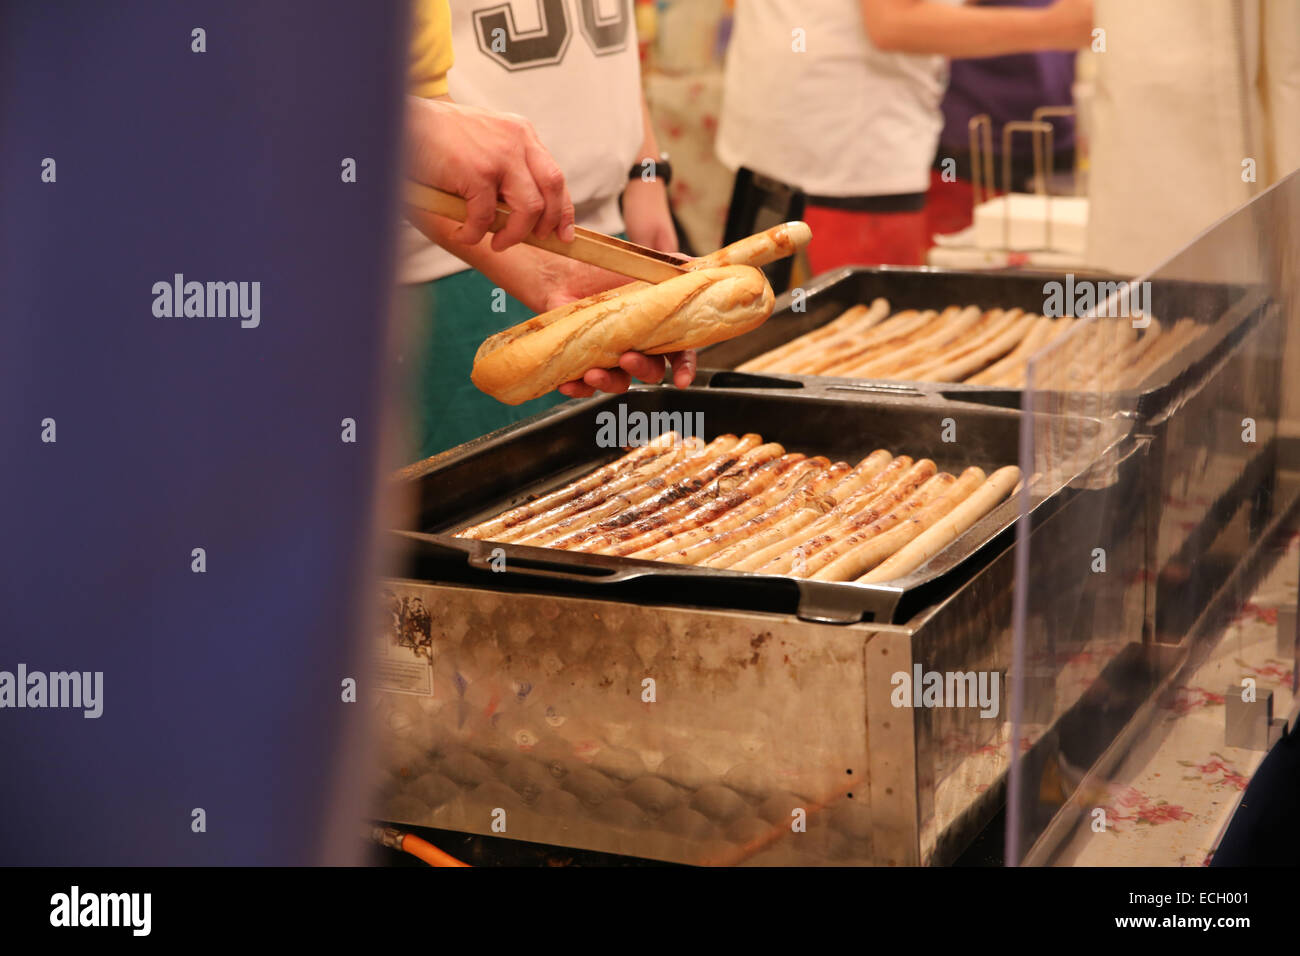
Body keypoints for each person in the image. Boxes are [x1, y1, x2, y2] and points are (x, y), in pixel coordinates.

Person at [402, 0, 693, 458]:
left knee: (614, 481)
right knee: (488, 492)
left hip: (593, 242)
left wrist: (645, 170)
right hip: (458, 253)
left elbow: (621, 33)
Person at [717, 0, 1091, 272]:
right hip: (852, 141)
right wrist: (1057, 26)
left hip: (788, 127)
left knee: (765, 335)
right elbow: (893, 22)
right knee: (860, 352)